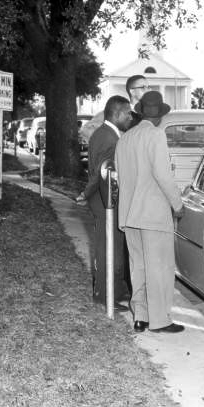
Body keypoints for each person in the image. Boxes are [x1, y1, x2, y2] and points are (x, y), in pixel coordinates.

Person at [115, 91, 185, 334]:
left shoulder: (125, 138)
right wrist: (177, 204)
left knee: (139, 267)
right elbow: (163, 175)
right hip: (153, 214)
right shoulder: (156, 135)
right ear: (159, 117)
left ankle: (140, 317)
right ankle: (160, 320)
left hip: (130, 214)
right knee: (160, 268)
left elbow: (121, 176)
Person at [84, 96, 133, 310]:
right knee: (107, 249)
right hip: (105, 202)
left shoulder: (106, 133)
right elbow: (100, 174)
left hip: (106, 200)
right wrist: (85, 194)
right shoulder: (109, 138)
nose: (130, 117)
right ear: (117, 113)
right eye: (128, 113)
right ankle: (104, 296)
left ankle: (117, 289)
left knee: (114, 247)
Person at [76, 74, 150, 202]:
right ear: (132, 91)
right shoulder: (111, 112)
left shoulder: (145, 115)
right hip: (111, 190)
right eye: (143, 87)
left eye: (149, 87)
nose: (148, 90)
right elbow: (87, 131)